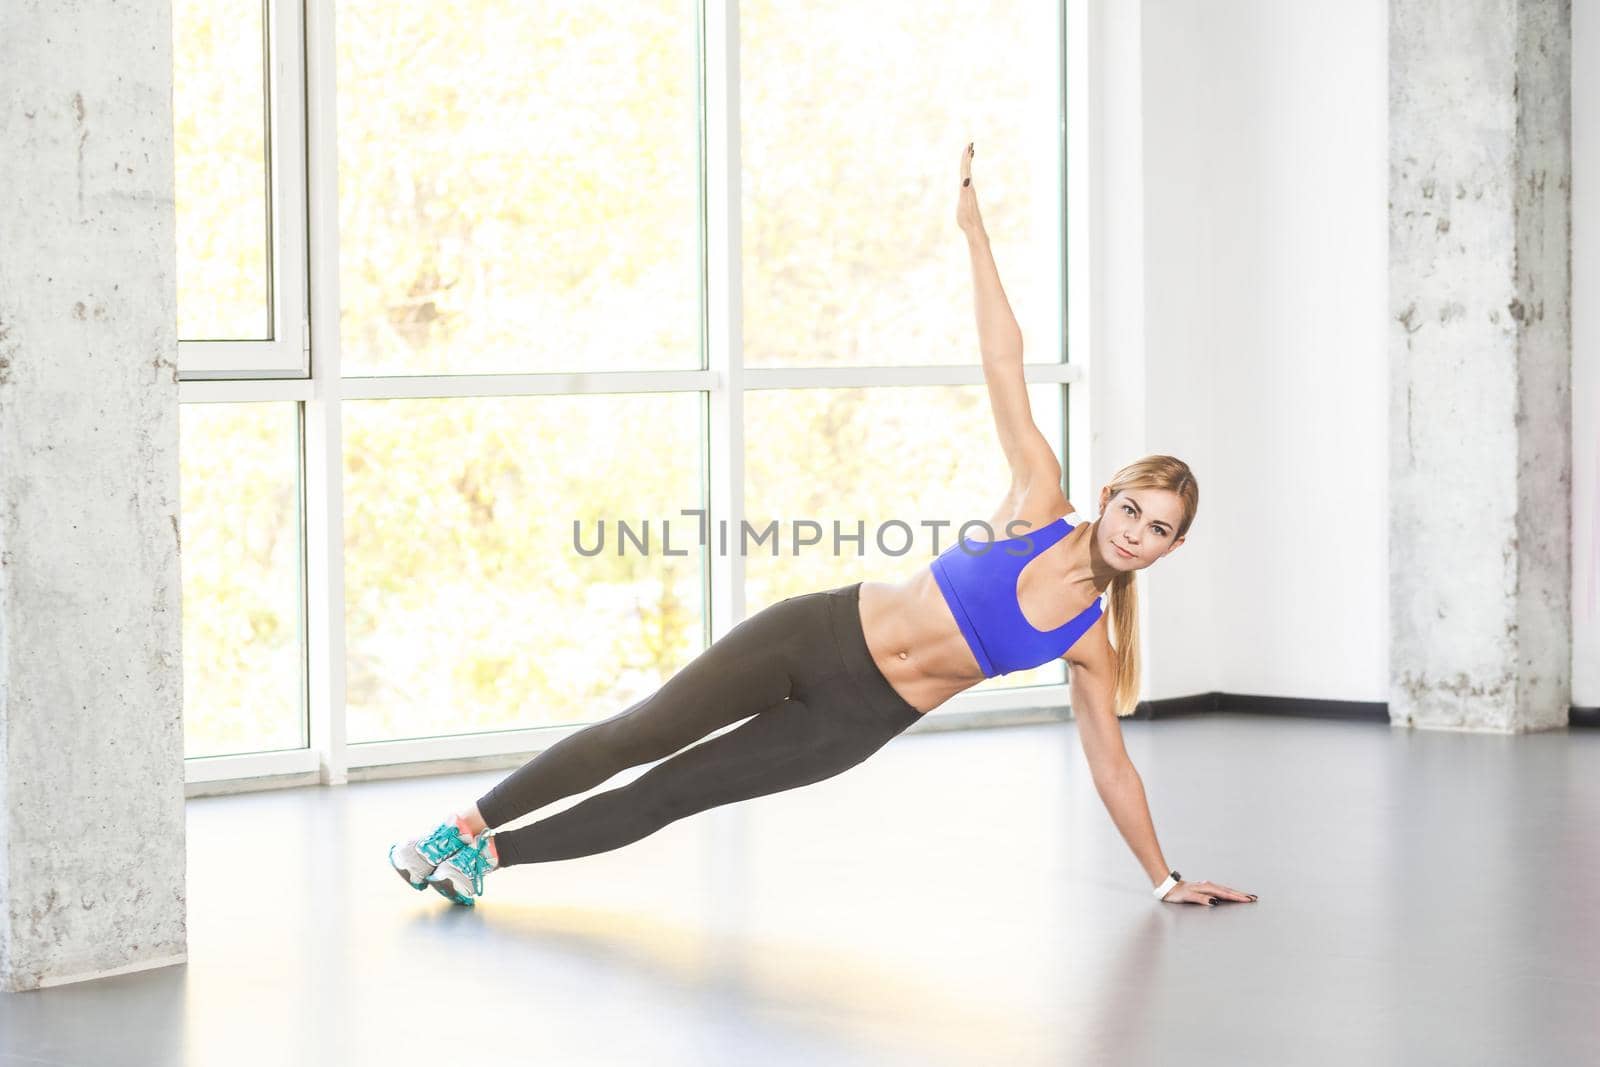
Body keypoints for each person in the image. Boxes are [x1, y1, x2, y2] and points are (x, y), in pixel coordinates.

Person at [388, 143, 1256, 911]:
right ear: (1108, 495)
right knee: (639, 732)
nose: (1134, 531)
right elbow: (1003, 360)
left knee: (671, 792)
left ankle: (484, 859)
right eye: (1132, 508)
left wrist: (1165, 877)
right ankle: (457, 826)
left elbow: (1111, 766)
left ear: (1173, 549)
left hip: (851, 720)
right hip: (818, 632)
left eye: (1157, 529)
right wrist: (974, 235)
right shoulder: (1038, 497)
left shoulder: (1091, 641)